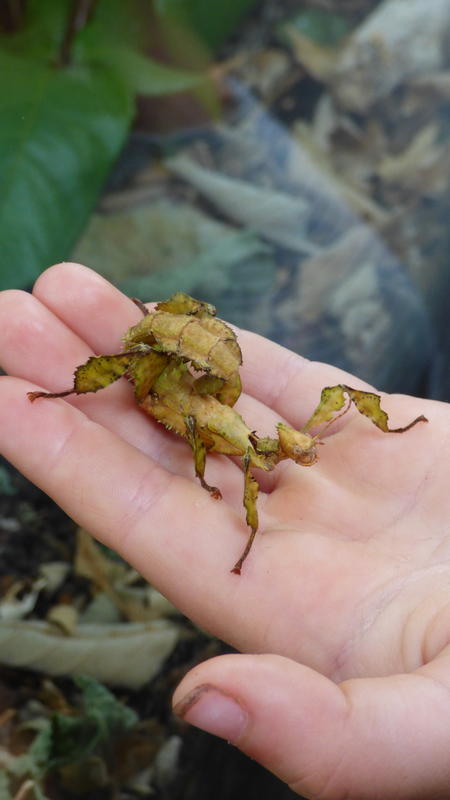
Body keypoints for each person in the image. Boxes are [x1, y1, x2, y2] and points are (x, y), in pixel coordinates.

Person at [1, 262, 449, 799]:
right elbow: (204, 436)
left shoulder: (266, 434)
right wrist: (203, 481)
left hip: (193, 399)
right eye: (302, 449)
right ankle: (64, 395)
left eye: (304, 449)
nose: (306, 450)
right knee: (190, 412)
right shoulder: (238, 440)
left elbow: (300, 416)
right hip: (165, 399)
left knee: (338, 392)